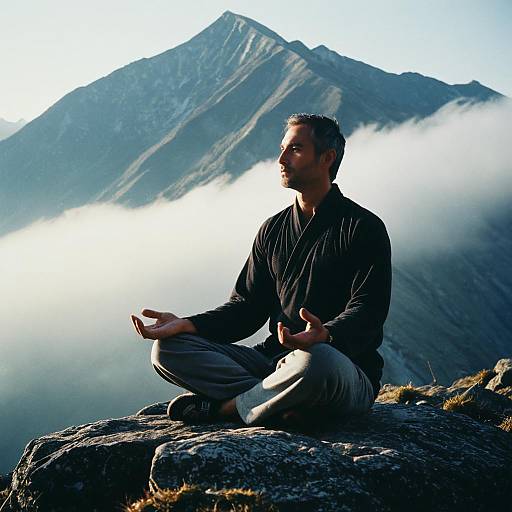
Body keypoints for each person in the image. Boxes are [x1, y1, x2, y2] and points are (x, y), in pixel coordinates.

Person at [131, 113, 392, 429]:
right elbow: (245, 308)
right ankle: (283, 405)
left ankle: (226, 409)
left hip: (339, 367)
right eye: (283, 148)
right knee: (167, 350)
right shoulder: (273, 230)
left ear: (327, 158)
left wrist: (327, 334)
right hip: (271, 363)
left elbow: (368, 309)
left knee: (317, 361)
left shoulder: (363, 228)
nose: (281, 159)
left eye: (295, 149)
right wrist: (187, 325)